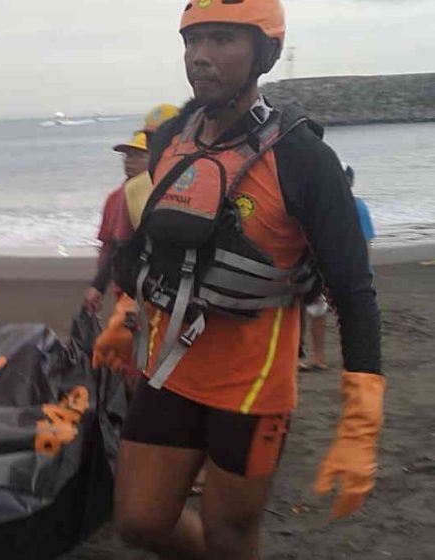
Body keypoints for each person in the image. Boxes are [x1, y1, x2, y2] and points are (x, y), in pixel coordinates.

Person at [92, 2, 384, 558]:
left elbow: (354, 289)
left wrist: (361, 415)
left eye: (222, 40)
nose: (200, 56)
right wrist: (122, 313)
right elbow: (150, 245)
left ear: (264, 52)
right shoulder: (173, 137)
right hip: (167, 369)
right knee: (139, 522)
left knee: (230, 535)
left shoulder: (304, 158)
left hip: (252, 389)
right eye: (192, 41)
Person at [300, 161, 376, 372]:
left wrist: (365, 269)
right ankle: (311, 355)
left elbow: (366, 241)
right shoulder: (317, 206)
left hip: (346, 269)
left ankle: (328, 357)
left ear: (350, 181)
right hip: (319, 267)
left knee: (345, 314)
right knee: (312, 310)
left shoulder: (356, 206)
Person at [83, 131, 150, 312]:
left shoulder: (162, 196)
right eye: (127, 155)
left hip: (153, 289)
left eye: (138, 155)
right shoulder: (115, 198)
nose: (129, 160)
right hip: (125, 289)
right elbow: (108, 245)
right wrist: (98, 286)